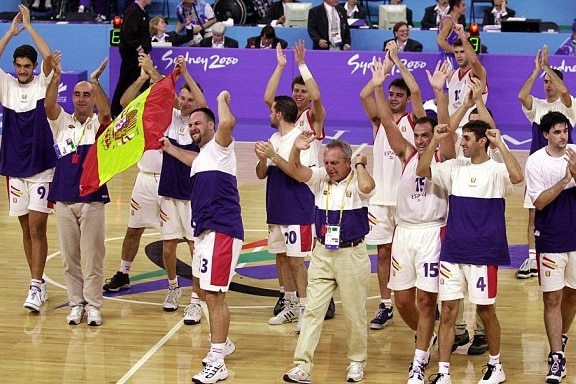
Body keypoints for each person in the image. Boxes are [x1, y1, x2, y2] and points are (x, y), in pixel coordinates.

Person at [417, 120, 524, 384]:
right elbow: (422, 170)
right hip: (453, 251)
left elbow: (518, 177)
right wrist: (433, 142)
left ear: (481, 141)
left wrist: (500, 144)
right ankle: (443, 372)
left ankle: (496, 366)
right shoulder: (454, 168)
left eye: (466, 138)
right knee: (449, 311)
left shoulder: (496, 170)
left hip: (484, 254)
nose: (461, 143)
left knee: (486, 312)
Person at [371, 57, 454, 384]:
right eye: (417, 134)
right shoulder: (407, 155)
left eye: (425, 134)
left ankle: (419, 360)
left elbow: (445, 131)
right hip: (403, 234)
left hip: (432, 233)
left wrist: (440, 93)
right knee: (403, 300)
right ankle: (426, 333)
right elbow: (389, 125)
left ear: (433, 134)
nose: (420, 139)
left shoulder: (443, 156)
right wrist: (377, 86)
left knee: (424, 298)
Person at [269, 133, 374, 383]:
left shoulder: (358, 181)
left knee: (354, 313)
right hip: (323, 253)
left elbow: (368, 188)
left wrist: (360, 165)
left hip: (352, 254)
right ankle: (302, 366)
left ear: (348, 162)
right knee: (312, 312)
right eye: (327, 162)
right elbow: (294, 170)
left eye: (335, 163)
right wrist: (296, 148)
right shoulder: (320, 179)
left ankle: (357, 362)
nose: (329, 168)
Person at [160, 91, 243, 384]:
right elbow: (190, 157)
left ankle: (218, 360)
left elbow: (228, 122)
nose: (193, 128)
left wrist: (221, 99)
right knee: (203, 289)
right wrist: (169, 149)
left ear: (211, 126)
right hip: (205, 232)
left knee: (216, 296)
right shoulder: (201, 158)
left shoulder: (221, 146)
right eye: (191, 125)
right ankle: (224, 343)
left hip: (222, 230)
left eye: (199, 123)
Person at [264, 41, 336, 321]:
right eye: (295, 91)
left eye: (302, 91)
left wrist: (303, 65)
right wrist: (281, 66)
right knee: (284, 253)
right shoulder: (286, 121)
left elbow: (317, 97)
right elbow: (269, 97)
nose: (298, 94)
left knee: (312, 252)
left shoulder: (313, 118)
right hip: (285, 187)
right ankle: (290, 299)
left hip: (311, 186)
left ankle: (319, 298)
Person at [359, 42, 424, 331]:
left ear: (407, 99)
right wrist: (378, 80)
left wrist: (396, 61)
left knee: (410, 254)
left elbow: (419, 92)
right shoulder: (379, 122)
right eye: (392, 94)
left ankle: (422, 300)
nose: (394, 98)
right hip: (379, 198)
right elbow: (363, 95)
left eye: (400, 95)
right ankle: (385, 304)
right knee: (383, 253)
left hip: (406, 200)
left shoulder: (414, 121)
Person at [45, 53, 111, 326]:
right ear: (72, 98)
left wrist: (95, 81)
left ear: (92, 98)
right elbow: (49, 106)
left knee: (92, 256)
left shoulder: (98, 125)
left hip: (92, 198)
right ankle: (76, 304)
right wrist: (56, 77)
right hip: (63, 198)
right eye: (77, 94)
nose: (82, 98)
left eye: (87, 94)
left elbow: (107, 113)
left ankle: (93, 305)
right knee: (69, 258)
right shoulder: (62, 122)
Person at [0, 5, 55, 312]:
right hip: (14, 167)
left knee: (37, 228)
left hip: (41, 166)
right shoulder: (6, 85)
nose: (22, 70)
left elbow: (49, 58)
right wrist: (10, 31)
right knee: (25, 229)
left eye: (26, 66)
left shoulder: (40, 83)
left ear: (33, 67)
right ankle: (40, 281)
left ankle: (34, 286)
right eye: (18, 65)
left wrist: (30, 27)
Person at [254, 96, 316, 333]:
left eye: (272, 111)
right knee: (280, 257)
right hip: (276, 209)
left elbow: (299, 173)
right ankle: (289, 302)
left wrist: (273, 156)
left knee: (296, 260)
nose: (269, 114)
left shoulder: (300, 138)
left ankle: (305, 307)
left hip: (297, 209)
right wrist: (263, 160)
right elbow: (262, 174)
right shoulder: (273, 139)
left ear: (279, 114)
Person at [525, 111, 576, 384]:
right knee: (551, 298)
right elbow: (540, 202)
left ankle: (562, 335)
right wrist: (566, 180)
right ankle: (557, 356)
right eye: (557, 131)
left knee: (572, 296)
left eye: (565, 130)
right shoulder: (535, 162)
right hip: (552, 238)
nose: (563, 135)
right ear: (546, 134)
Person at [517, 46, 576, 280]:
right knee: (533, 214)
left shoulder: (569, 106)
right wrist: (536, 71)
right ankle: (532, 258)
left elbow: (565, 94)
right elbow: (522, 96)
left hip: (564, 167)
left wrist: (548, 68)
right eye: (545, 81)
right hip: (538, 168)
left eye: (551, 80)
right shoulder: (538, 107)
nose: (547, 84)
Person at [110, 0, 152, 118]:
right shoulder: (133, 11)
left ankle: (145, 110)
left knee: (144, 83)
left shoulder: (142, 12)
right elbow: (127, 34)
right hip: (132, 56)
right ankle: (115, 110)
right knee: (126, 82)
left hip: (140, 55)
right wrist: (139, 49)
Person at [436, 0, 467, 71]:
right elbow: (439, 40)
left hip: (453, 58)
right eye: (463, 5)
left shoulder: (456, 21)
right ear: (456, 7)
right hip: (447, 58)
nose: (465, 8)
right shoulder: (448, 21)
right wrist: (455, 51)